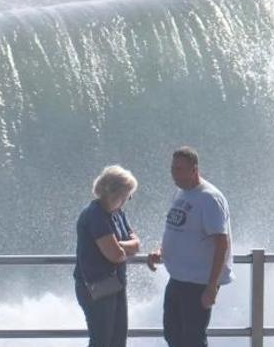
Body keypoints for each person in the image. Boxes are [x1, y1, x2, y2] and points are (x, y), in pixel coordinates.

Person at [146, 147, 233, 347]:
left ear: (194, 170)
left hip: (199, 282)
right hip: (178, 278)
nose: (174, 174)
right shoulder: (181, 193)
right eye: (172, 169)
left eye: (180, 169)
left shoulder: (209, 198)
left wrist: (212, 286)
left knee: (193, 339)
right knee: (172, 334)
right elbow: (178, 229)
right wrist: (160, 252)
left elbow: (222, 243)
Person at [74, 165, 140, 347]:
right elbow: (116, 256)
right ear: (116, 193)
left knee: (118, 340)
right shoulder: (95, 215)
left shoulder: (117, 213)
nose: (129, 199)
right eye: (128, 195)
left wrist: (118, 245)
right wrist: (121, 248)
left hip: (115, 285)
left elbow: (136, 244)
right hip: (96, 287)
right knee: (102, 341)